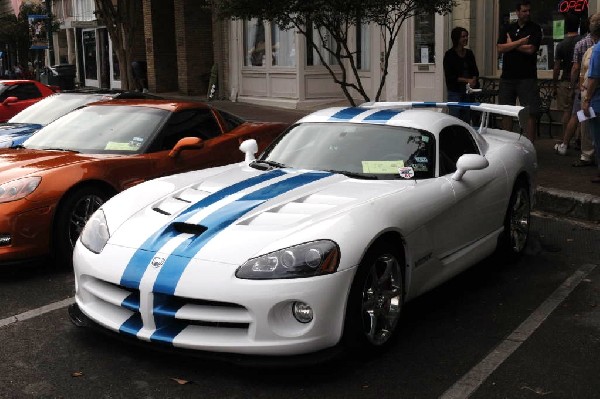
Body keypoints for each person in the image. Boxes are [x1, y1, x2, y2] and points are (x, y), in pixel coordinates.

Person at [496, 1, 542, 142]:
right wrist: (520, 42)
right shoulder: (508, 28)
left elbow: (530, 50)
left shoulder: (535, 28)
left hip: (526, 77)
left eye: (529, 11)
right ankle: (508, 145)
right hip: (507, 77)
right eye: (524, 11)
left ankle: (529, 146)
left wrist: (511, 44)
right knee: (506, 112)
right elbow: (500, 48)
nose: (527, 13)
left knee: (529, 113)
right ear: (517, 12)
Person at [552, 13, 581, 155]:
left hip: (565, 80)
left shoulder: (561, 45)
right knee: (580, 113)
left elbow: (557, 67)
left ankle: (565, 140)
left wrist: (554, 84)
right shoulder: (583, 41)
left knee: (567, 112)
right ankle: (578, 139)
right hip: (580, 82)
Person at [443, 27, 479, 123]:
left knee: (466, 118)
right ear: (456, 38)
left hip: (468, 92)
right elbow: (450, 77)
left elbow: (475, 70)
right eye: (463, 36)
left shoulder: (469, 53)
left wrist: (474, 80)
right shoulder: (449, 55)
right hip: (455, 91)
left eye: (467, 36)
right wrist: (467, 80)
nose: (466, 38)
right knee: (455, 118)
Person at [582, 13, 600, 183]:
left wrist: (586, 99)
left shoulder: (597, 50)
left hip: (597, 101)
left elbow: (594, 77)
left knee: (597, 136)